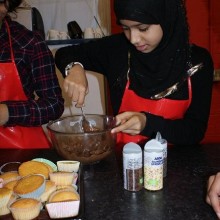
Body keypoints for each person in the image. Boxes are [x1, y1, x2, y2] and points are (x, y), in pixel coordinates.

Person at [55, 0, 214, 152]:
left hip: (177, 166)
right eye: (125, 28)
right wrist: (74, 67)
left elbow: (195, 132)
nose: (134, 39)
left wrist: (147, 123)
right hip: (124, 162)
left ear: (166, 17)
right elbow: (64, 54)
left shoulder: (197, 62)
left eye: (143, 28)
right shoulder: (117, 49)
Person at [0, 0, 64, 148]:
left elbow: (54, 104)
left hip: (20, 151)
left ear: (8, 5)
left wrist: (7, 112)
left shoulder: (29, 43)